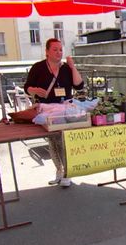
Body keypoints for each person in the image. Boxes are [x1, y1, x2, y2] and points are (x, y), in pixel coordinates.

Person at [24, 38, 84, 188]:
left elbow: (79, 85)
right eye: (55, 49)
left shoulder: (66, 68)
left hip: (65, 110)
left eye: (60, 50)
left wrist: (72, 66)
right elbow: (27, 87)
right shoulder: (38, 67)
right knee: (52, 141)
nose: (58, 52)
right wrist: (34, 90)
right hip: (46, 110)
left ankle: (67, 173)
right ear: (47, 51)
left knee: (62, 141)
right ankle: (59, 170)